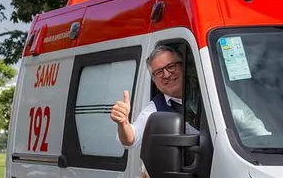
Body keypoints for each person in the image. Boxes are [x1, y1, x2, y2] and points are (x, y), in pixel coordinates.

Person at [111, 44, 270, 149]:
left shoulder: (210, 89)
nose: (167, 74)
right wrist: (123, 123)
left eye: (171, 66)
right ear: (154, 80)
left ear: (183, 66)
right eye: (158, 72)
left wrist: (265, 149)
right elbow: (131, 140)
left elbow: (250, 123)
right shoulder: (155, 109)